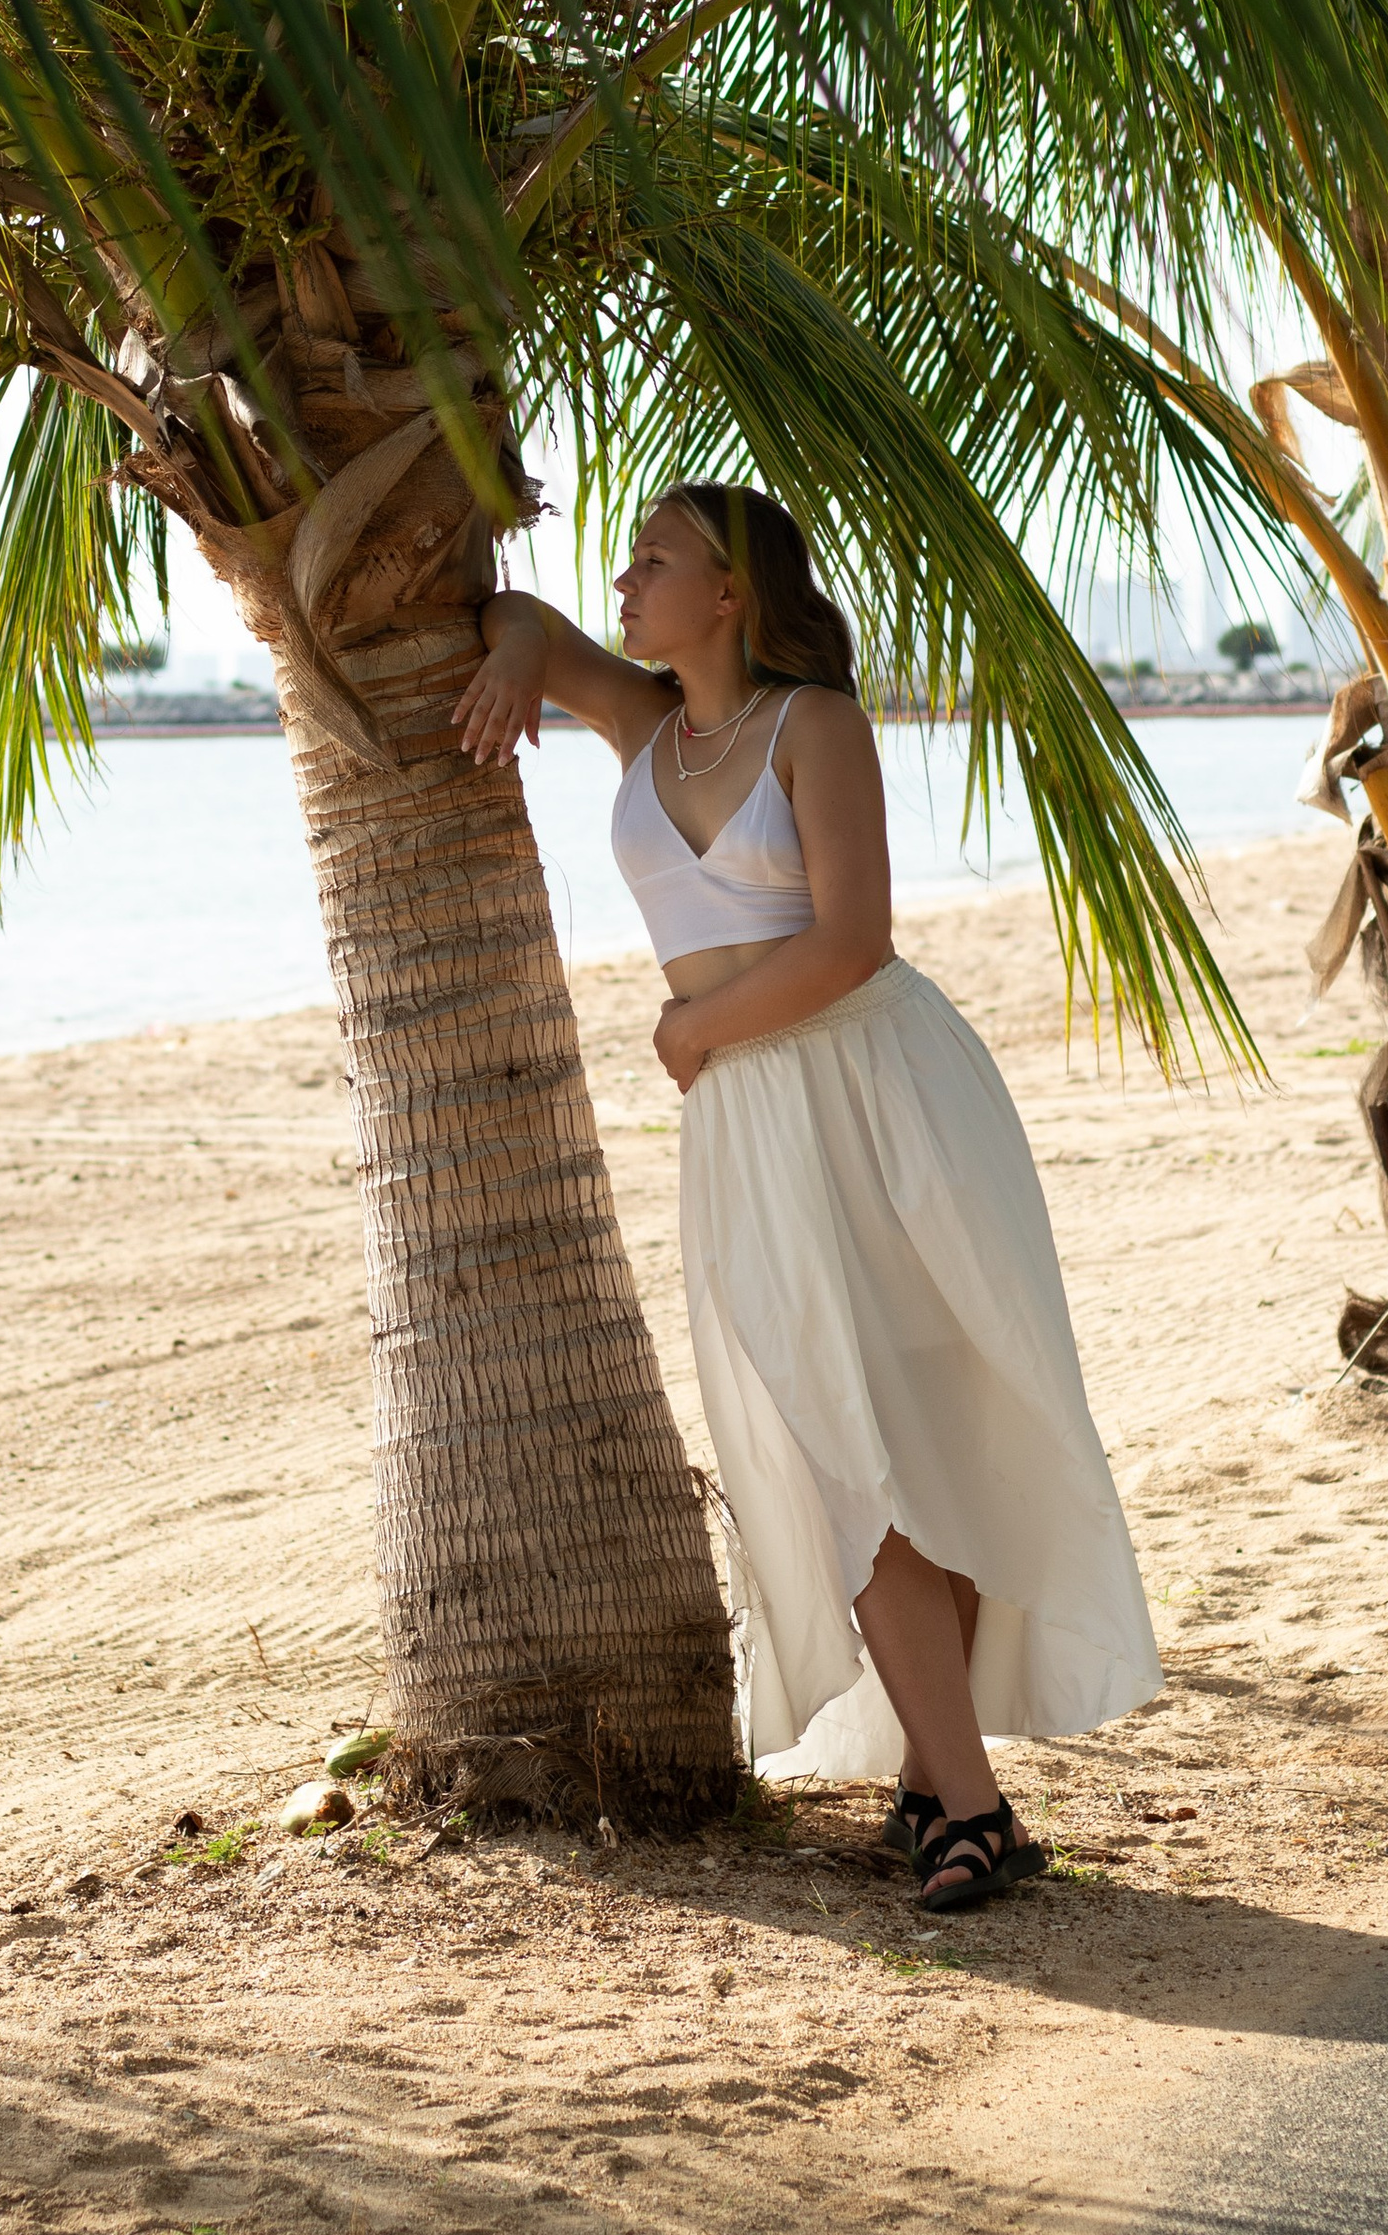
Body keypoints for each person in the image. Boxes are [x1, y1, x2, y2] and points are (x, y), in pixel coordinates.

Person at [453, 480, 1160, 1914]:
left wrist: (693, 1028)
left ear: (732, 594)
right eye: (627, 560)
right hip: (757, 1133)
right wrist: (521, 647)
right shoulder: (648, 728)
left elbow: (852, 938)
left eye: (657, 560)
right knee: (845, 1450)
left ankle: (967, 1806)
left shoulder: (813, 726)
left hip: (882, 1092)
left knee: (931, 1423)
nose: (628, 580)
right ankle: (944, 1791)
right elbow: (516, 615)